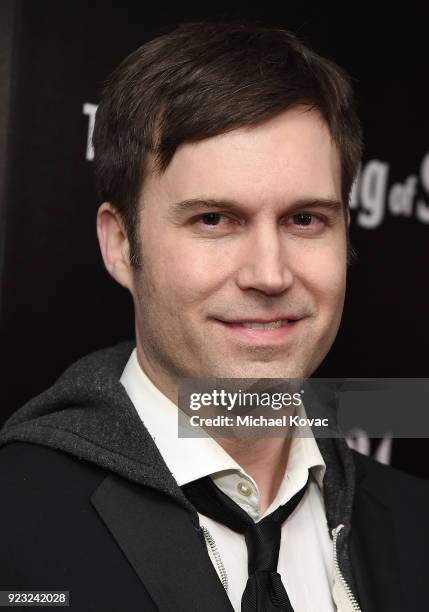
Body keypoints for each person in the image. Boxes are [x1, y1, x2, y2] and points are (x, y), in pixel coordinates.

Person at [0, 20, 427, 612]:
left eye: (305, 219)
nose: (270, 274)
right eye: (214, 220)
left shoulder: (413, 525)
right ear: (121, 244)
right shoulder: (14, 524)